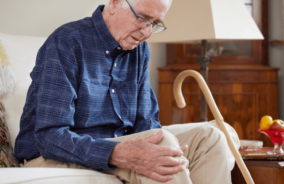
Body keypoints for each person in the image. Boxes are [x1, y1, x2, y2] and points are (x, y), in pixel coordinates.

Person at [14, 0, 236, 183]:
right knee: (161, 144)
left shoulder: (139, 50)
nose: (147, 32)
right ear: (115, 3)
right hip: (52, 154)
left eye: (156, 23)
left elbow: (147, 124)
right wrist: (117, 153)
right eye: (143, 18)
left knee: (212, 137)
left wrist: (163, 150)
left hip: (119, 144)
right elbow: (49, 137)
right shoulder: (67, 42)